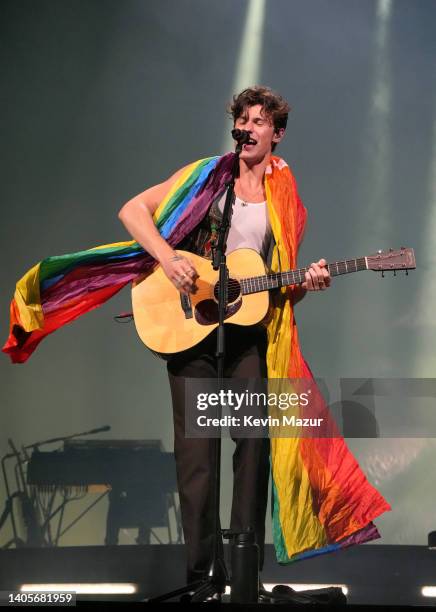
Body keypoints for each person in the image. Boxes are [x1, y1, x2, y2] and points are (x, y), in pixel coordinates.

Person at [117, 86, 331, 584]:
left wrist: (307, 284)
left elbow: (277, 293)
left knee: (253, 446)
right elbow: (132, 210)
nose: (248, 128)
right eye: (243, 119)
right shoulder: (206, 176)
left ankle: (243, 578)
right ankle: (201, 580)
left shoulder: (284, 195)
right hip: (192, 332)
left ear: (276, 134)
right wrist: (168, 260)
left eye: (259, 121)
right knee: (199, 462)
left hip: (246, 338)